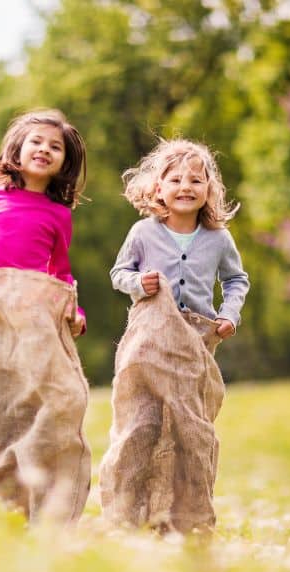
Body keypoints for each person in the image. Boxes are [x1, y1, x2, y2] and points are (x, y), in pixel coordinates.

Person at [0, 109, 91, 523]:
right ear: (17, 149)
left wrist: (73, 309)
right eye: (36, 142)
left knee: (34, 400)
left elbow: (60, 274)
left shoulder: (58, 214)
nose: (44, 149)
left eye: (55, 146)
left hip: (31, 320)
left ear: (65, 162)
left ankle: (40, 498)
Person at [100, 138, 249, 534]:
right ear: (159, 188)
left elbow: (236, 280)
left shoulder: (218, 238)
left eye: (196, 180)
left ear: (208, 190)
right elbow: (118, 274)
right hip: (147, 338)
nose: (186, 187)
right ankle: (127, 514)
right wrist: (137, 282)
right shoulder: (143, 232)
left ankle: (187, 517)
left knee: (190, 424)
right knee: (141, 422)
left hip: (196, 338)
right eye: (176, 179)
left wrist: (229, 314)